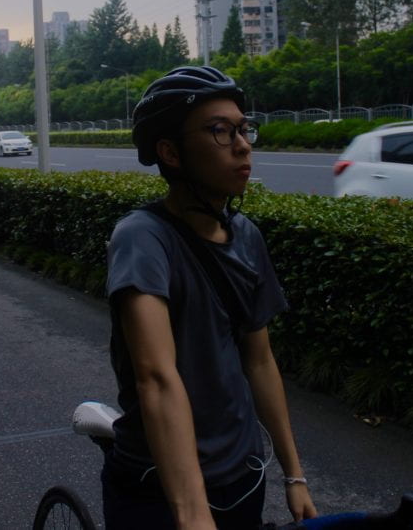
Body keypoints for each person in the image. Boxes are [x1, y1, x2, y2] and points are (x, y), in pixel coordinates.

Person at [104, 66, 318, 529]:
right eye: (220, 131)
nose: (242, 144)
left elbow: (259, 361)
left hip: (241, 477)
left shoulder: (246, 236)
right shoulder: (142, 239)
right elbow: (156, 377)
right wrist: (191, 511)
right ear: (170, 152)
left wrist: (294, 475)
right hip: (158, 488)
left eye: (244, 129)